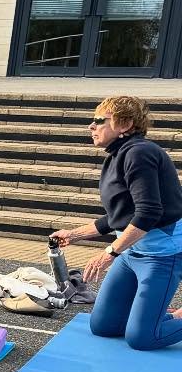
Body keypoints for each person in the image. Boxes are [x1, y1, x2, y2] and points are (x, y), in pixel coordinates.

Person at [51, 95, 182, 350]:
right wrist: (75, 234)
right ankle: (155, 319)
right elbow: (120, 216)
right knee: (104, 326)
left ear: (124, 124)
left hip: (161, 256)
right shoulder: (117, 155)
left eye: (99, 120)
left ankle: (157, 323)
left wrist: (109, 253)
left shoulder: (140, 153)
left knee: (143, 338)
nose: (92, 126)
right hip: (132, 252)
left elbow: (147, 213)